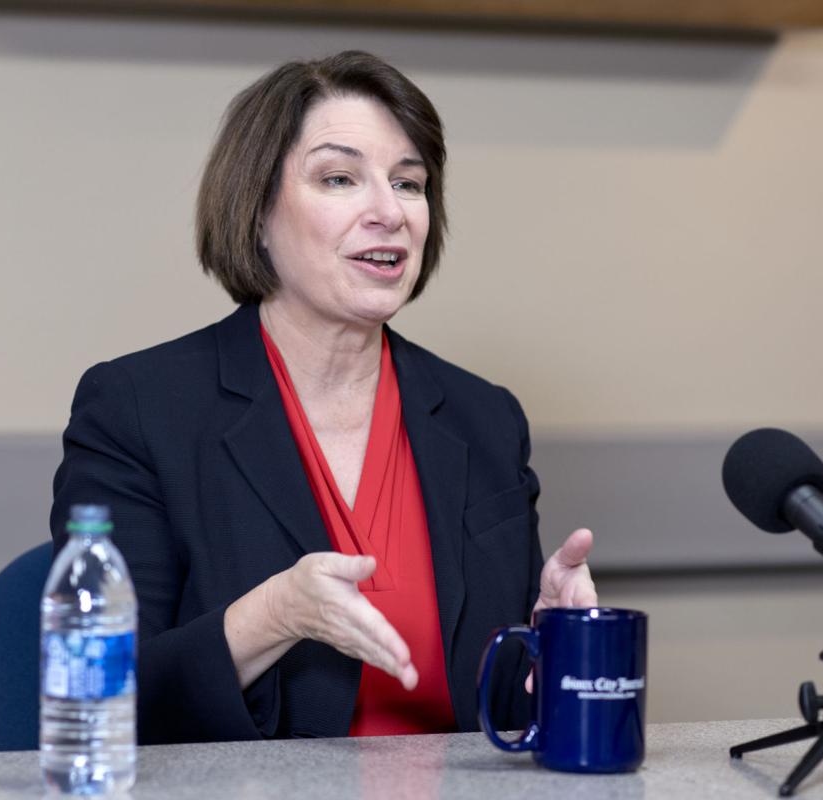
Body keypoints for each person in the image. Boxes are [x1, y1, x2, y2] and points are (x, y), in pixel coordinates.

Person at [50, 50, 597, 744]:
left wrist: (550, 649)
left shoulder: (484, 417)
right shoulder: (137, 409)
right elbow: (100, 695)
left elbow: (501, 722)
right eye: (339, 178)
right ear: (256, 213)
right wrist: (274, 615)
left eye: (408, 183)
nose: (389, 212)